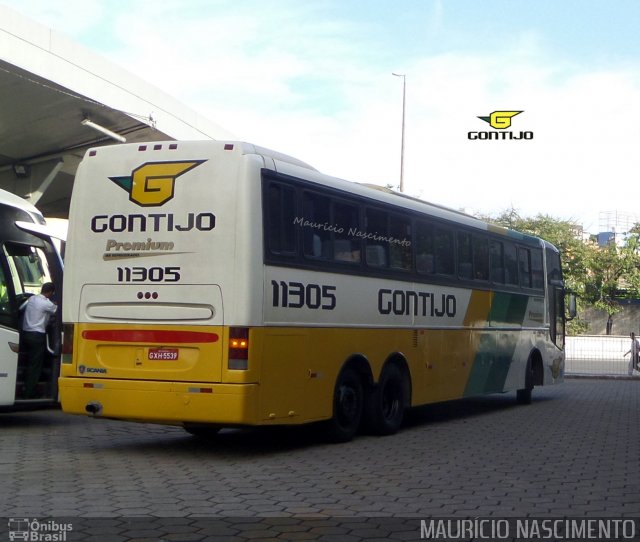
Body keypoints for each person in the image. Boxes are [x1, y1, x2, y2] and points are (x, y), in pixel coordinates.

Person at [21, 282, 58, 398]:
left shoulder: (32, 299)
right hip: (37, 336)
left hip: (26, 333)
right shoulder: (46, 303)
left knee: (28, 362)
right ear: (51, 292)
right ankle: (29, 392)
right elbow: (58, 311)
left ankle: (24, 385)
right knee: (35, 365)